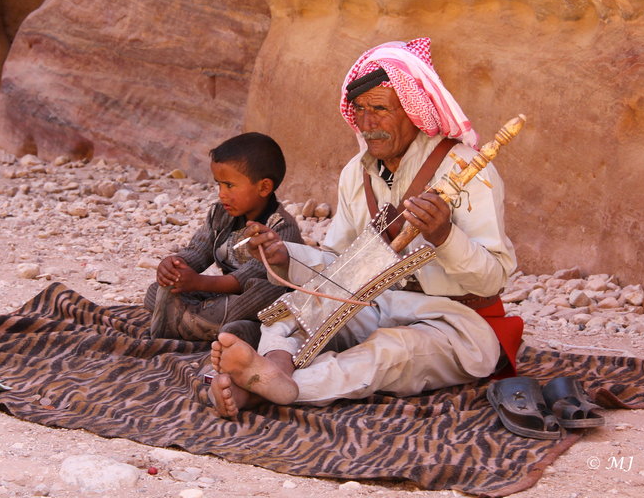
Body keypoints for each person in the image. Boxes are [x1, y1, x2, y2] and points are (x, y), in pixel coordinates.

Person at [209, 37, 523, 418]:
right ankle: (270, 371)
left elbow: (491, 282)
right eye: (359, 110)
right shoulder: (355, 174)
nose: (368, 123)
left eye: (380, 109)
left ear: (413, 110)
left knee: (390, 351)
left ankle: (272, 387)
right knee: (291, 309)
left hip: (454, 321)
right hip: (375, 302)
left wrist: (444, 237)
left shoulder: (469, 171)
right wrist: (286, 254)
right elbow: (339, 263)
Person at [144, 132, 302, 345]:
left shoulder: (281, 227)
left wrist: (199, 282)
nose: (221, 194)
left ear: (264, 187)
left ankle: (198, 323)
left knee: (265, 291)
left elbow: (248, 278)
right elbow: (197, 251)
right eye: (218, 184)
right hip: (222, 300)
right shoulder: (220, 214)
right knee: (155, 292)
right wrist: (174, 267)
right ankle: (207, 325)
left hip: (255, 302)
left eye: (229, 185)